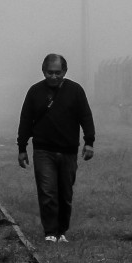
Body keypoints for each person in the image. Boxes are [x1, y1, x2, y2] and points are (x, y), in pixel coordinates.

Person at [17, 53, 95, 243]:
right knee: (47, 192)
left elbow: (85, 116)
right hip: (43, 151)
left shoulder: (75, 91)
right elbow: (26, 120)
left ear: (65, 71)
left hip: (68, 151)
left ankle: (62, 232)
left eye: (57, 72)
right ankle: (50, 232)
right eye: (49, 73)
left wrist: (89, 142)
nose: (53, 76)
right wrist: (22, 148)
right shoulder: (35, 92)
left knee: (65, 193)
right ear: (43, 72)